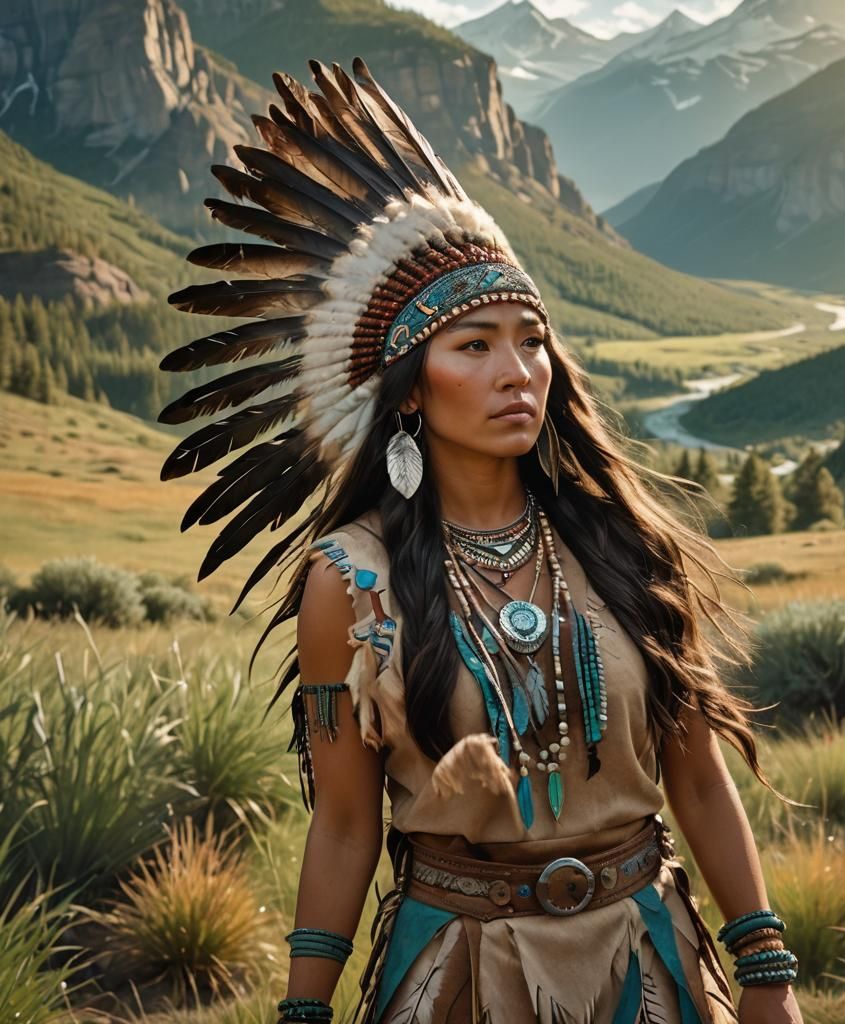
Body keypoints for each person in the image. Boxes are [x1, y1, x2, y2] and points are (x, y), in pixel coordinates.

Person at [157, 57, 804, 1024]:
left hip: (646, 961)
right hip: (459, 969)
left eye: (531, 340)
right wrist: (303, 1012)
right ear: (411, 390)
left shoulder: (624, 545)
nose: (519, 371)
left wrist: (766, 971)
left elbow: (700, 779)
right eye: (476, 345)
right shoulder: (353, 582)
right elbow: (344, 828)